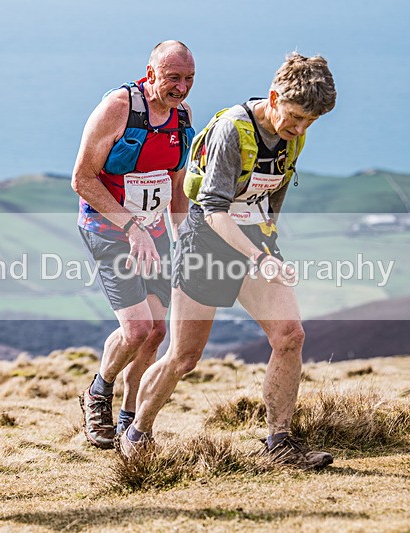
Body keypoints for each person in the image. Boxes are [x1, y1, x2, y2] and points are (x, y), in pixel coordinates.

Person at [122, 53, 336, 470]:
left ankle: (279, 443)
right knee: (184, 358)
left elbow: (273, 194)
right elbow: (215, 210)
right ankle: (137, 430)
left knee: (290, 335)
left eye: (310, 122)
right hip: (206, 242)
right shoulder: (231, 131)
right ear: (273, 97)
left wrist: (270, 249)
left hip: (254, 241)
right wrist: (258, 255)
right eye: (294, 117)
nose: (299, 129)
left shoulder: (294, 134)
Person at [71, 41, 195, 449]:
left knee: (157, 331)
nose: (181, 87)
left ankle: (128, 419)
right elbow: (83, 179)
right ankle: (97, 392)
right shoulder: (118, 107)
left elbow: (176, 188)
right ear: (150, 71)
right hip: (109, 227)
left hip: (155, 230)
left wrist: (185, 242)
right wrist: (131, 228)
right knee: (137, 327)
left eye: (189, 79)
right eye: (173, 77)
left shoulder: (182, 117)